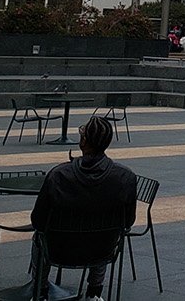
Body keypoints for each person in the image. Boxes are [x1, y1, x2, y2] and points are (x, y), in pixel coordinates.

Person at [31, 116, 137, 298]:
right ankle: (94, 293)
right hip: (102, 251)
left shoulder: (58, 175)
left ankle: (40, 291)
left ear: (83, 141)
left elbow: (38, 221)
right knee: (105, 234)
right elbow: (128, 221)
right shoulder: (125, 177)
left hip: (58, 249)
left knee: (39, 238)